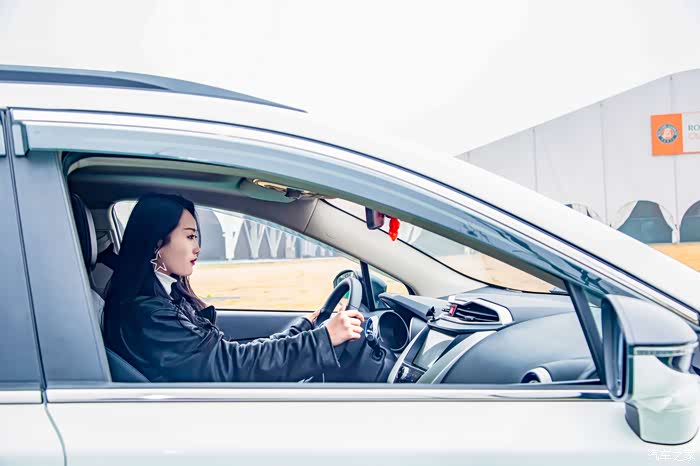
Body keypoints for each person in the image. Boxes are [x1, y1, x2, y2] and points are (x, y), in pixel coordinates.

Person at [103, 193, 364, 382]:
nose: (198, 247)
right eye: (190, 236)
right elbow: (234, 366)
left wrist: (306, 327)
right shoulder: (149, 315)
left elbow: (229, 357)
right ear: (157, 243)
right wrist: (322, 340)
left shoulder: (164, 299)